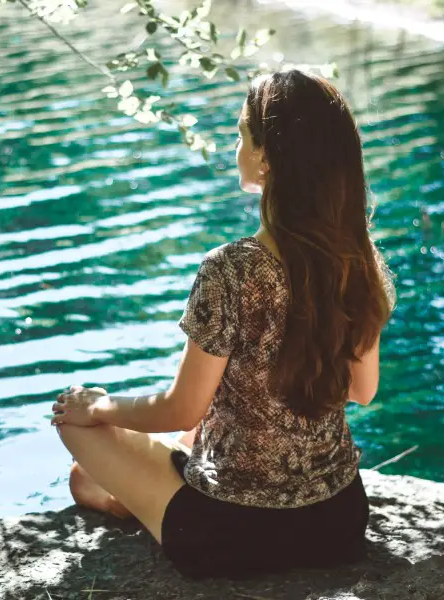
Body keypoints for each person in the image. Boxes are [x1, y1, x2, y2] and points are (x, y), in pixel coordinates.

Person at [51, 69, 394, 579]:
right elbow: (363, 391)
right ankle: (134, 492)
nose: (237, 145)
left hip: (229, 534)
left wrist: (97, 405)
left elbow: (182, 406)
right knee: (158, 449)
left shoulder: (231, 268)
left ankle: (135, 500)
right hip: (338, 520)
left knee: (75, 427)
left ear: (266, 157)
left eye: (241, 134)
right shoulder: (355, 260)